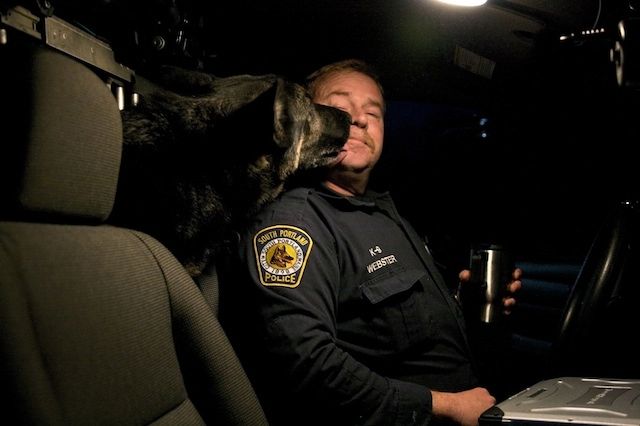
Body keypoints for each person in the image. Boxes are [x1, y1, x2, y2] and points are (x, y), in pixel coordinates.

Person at [218, 58, 523, 426]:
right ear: (307, 120)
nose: (360, 120)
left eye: (373, 113)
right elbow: (304, 363)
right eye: (341, 107)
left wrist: (464, 306)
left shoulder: (383, 211)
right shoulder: (295, 224)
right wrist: (443, 406)